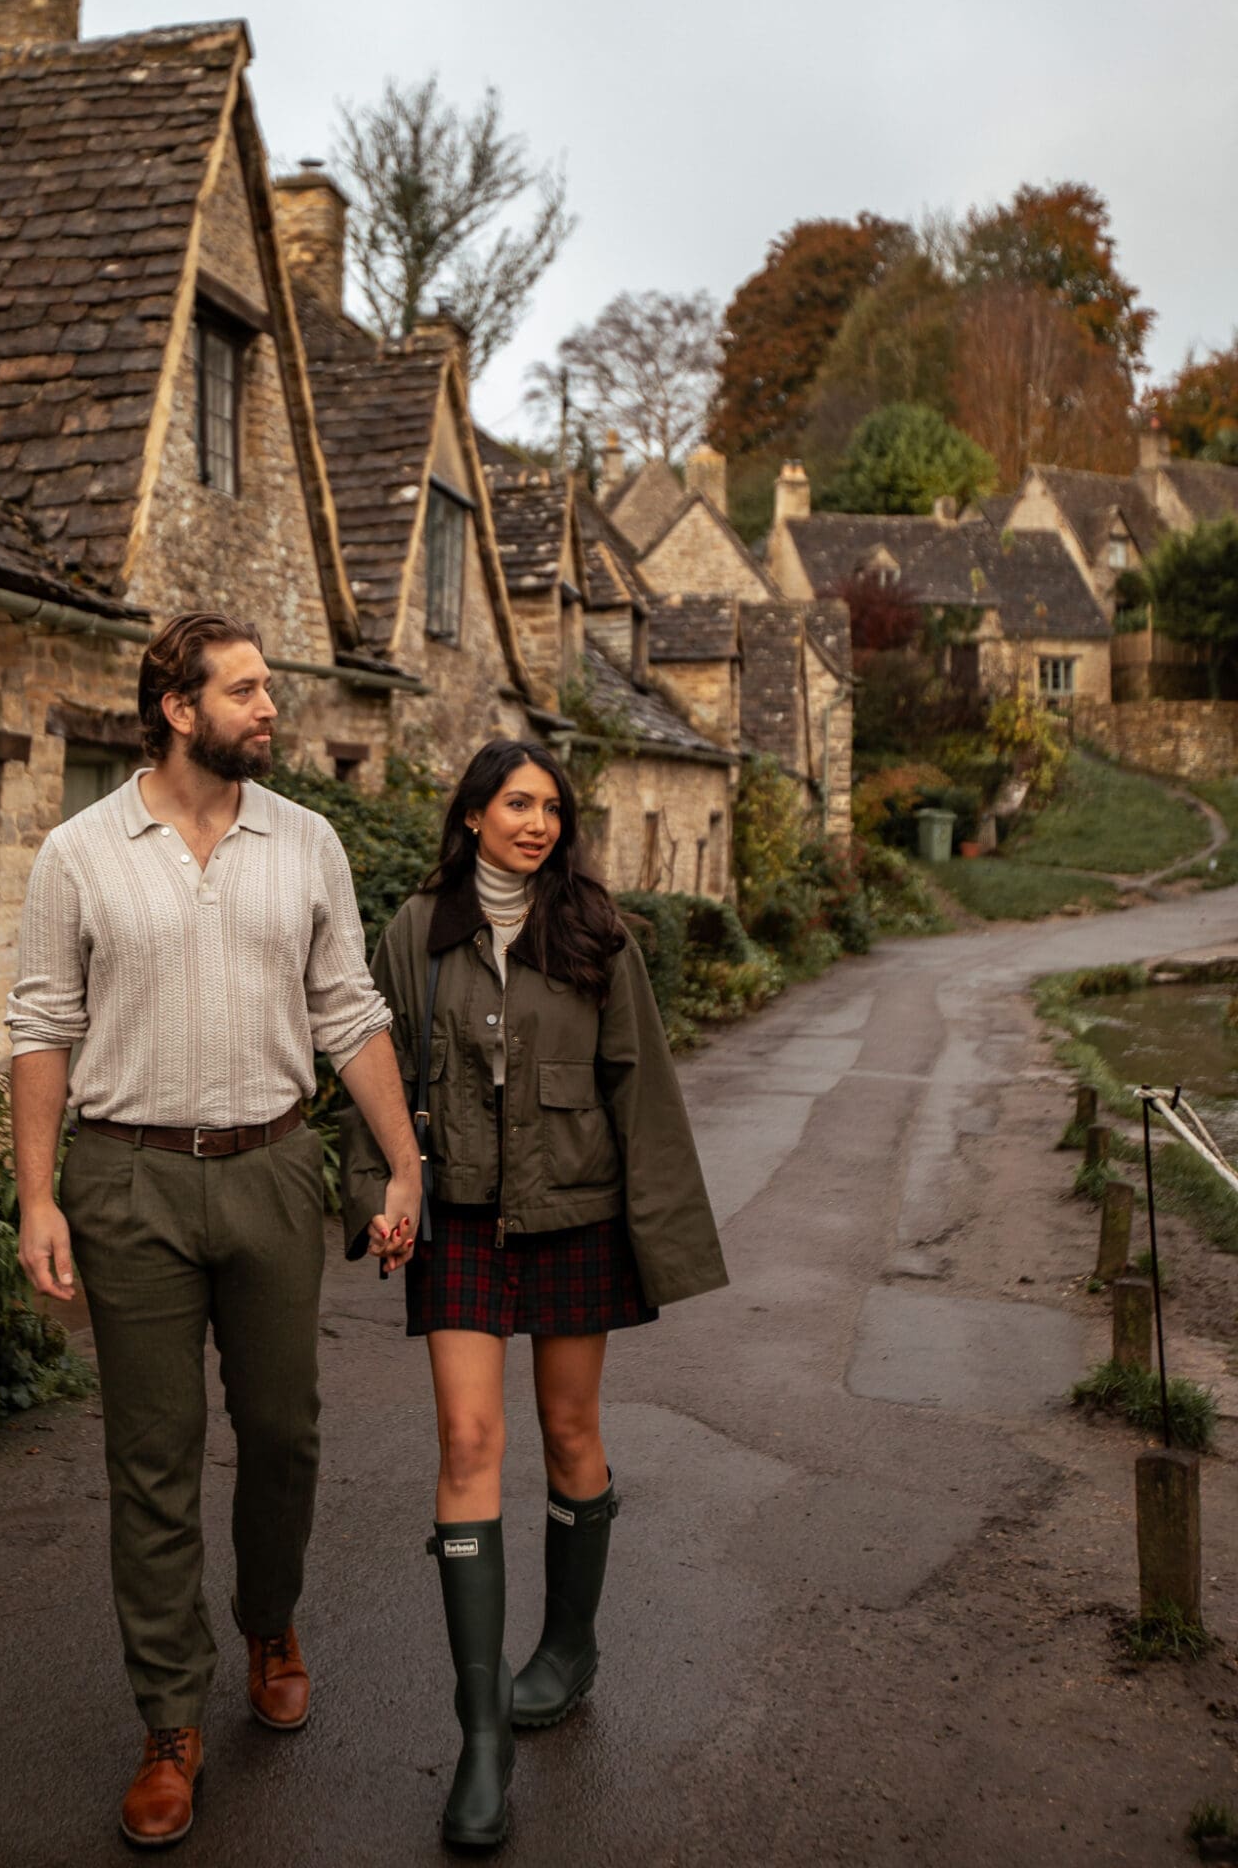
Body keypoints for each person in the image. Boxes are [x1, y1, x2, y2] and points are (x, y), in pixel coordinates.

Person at [7, 612, 421, 1849]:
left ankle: (270, 1616)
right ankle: (169, 1718)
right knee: (152, 1456)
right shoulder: (80, 852)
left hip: (275, 1169)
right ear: (178, 707)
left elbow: (348, 1011)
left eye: (269, 689)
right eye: (244, 690)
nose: (270, 708)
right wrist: (36, 1194)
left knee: (284, 1430)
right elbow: (40, 1023)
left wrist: (403, 1160)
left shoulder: (309, 843)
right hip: (127, 1180)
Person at [342, 739, 727, 1849]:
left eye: (552, 806)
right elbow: (367, 1070)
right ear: (469, 814)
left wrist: (664, 1242)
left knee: (569, 1430)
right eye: (516, 802)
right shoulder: (415, 930)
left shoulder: (597, 931)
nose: (537, 822)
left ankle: (567, 1647)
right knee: (467, 1437)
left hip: (575, 1212)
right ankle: (479, 1737)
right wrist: (377, 1190)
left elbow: (640, 1091)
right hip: (458, 1212)